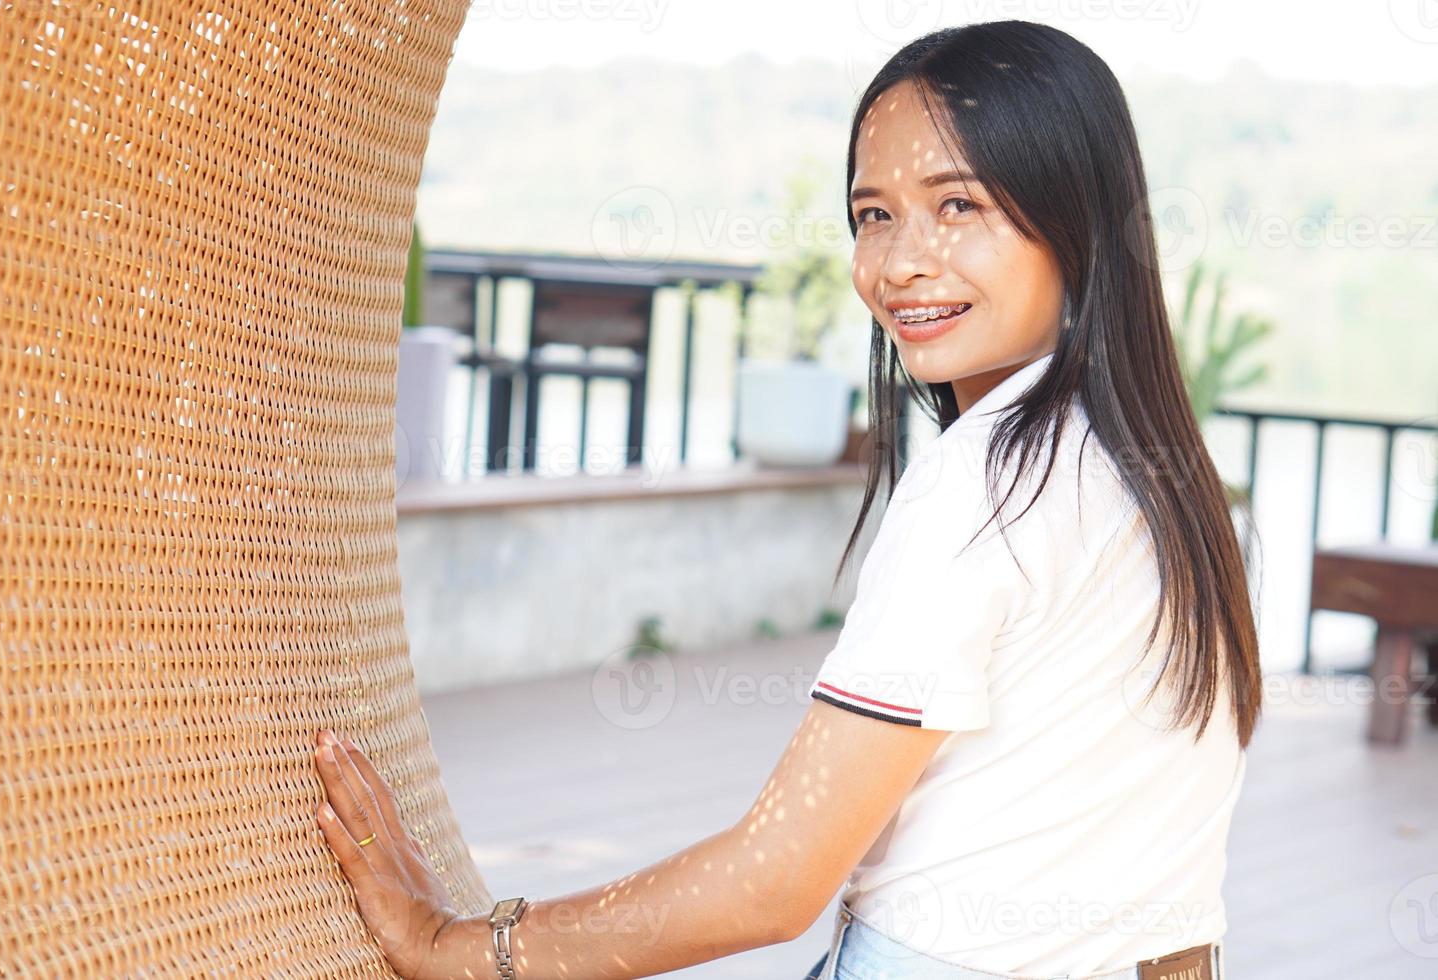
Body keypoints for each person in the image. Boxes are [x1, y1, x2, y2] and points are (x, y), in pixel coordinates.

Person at [310, 19, 1262, 980]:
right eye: (874, 214)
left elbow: (775, 880)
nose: (898, 263)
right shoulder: (1172, 488)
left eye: (959, 205)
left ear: (1078, 219)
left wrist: (466, 948)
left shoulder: (987, 485)